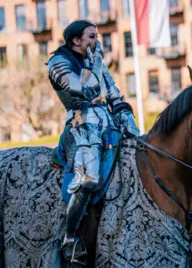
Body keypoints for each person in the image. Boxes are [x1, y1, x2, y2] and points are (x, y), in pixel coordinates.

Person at [47, 20, 139, 265]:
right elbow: (84, 91)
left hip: (109, 125)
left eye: (96, 36)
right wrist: (96, 64)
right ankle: (70, 238)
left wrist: (133, 128)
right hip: (81, 126)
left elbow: (115, 96)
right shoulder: (59, 64)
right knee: (90, 180)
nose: (96, 41)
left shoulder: (96, 61)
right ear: (76, 40)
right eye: (91, 36)